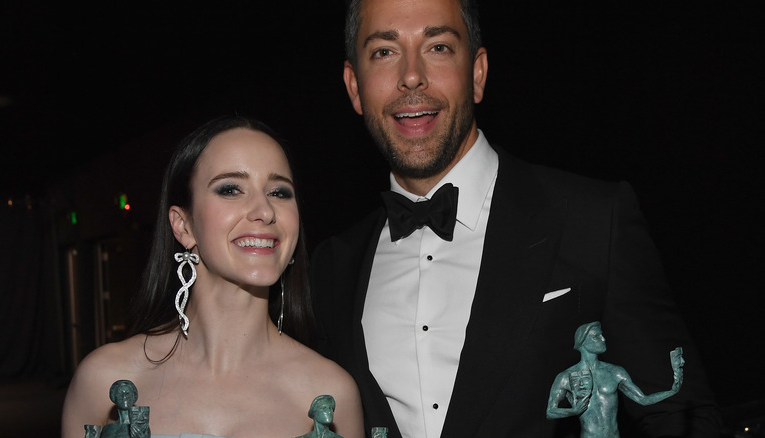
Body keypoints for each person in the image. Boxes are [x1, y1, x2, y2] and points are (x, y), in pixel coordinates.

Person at [310, 0, 722, 436]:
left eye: (439, 47)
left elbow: (681, 418)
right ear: (355, 87)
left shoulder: (594, 220)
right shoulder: (331, 269)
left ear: (478, 73)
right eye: (384, 52)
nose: (412, 75)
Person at [62, 116, 364, 438]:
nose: (264, 210)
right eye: (231, 189)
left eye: (279, 192)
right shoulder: (105, 382)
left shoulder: (331, 395)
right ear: (183, 225)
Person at [546, 322, 685, 437]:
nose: (603, 339)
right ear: (582, 342)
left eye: (602, 335)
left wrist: (672, 390)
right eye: (596, 336)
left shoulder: (615, 372)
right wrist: (573, 411)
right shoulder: (566, 376)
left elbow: (643, 399)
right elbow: (550, 411)